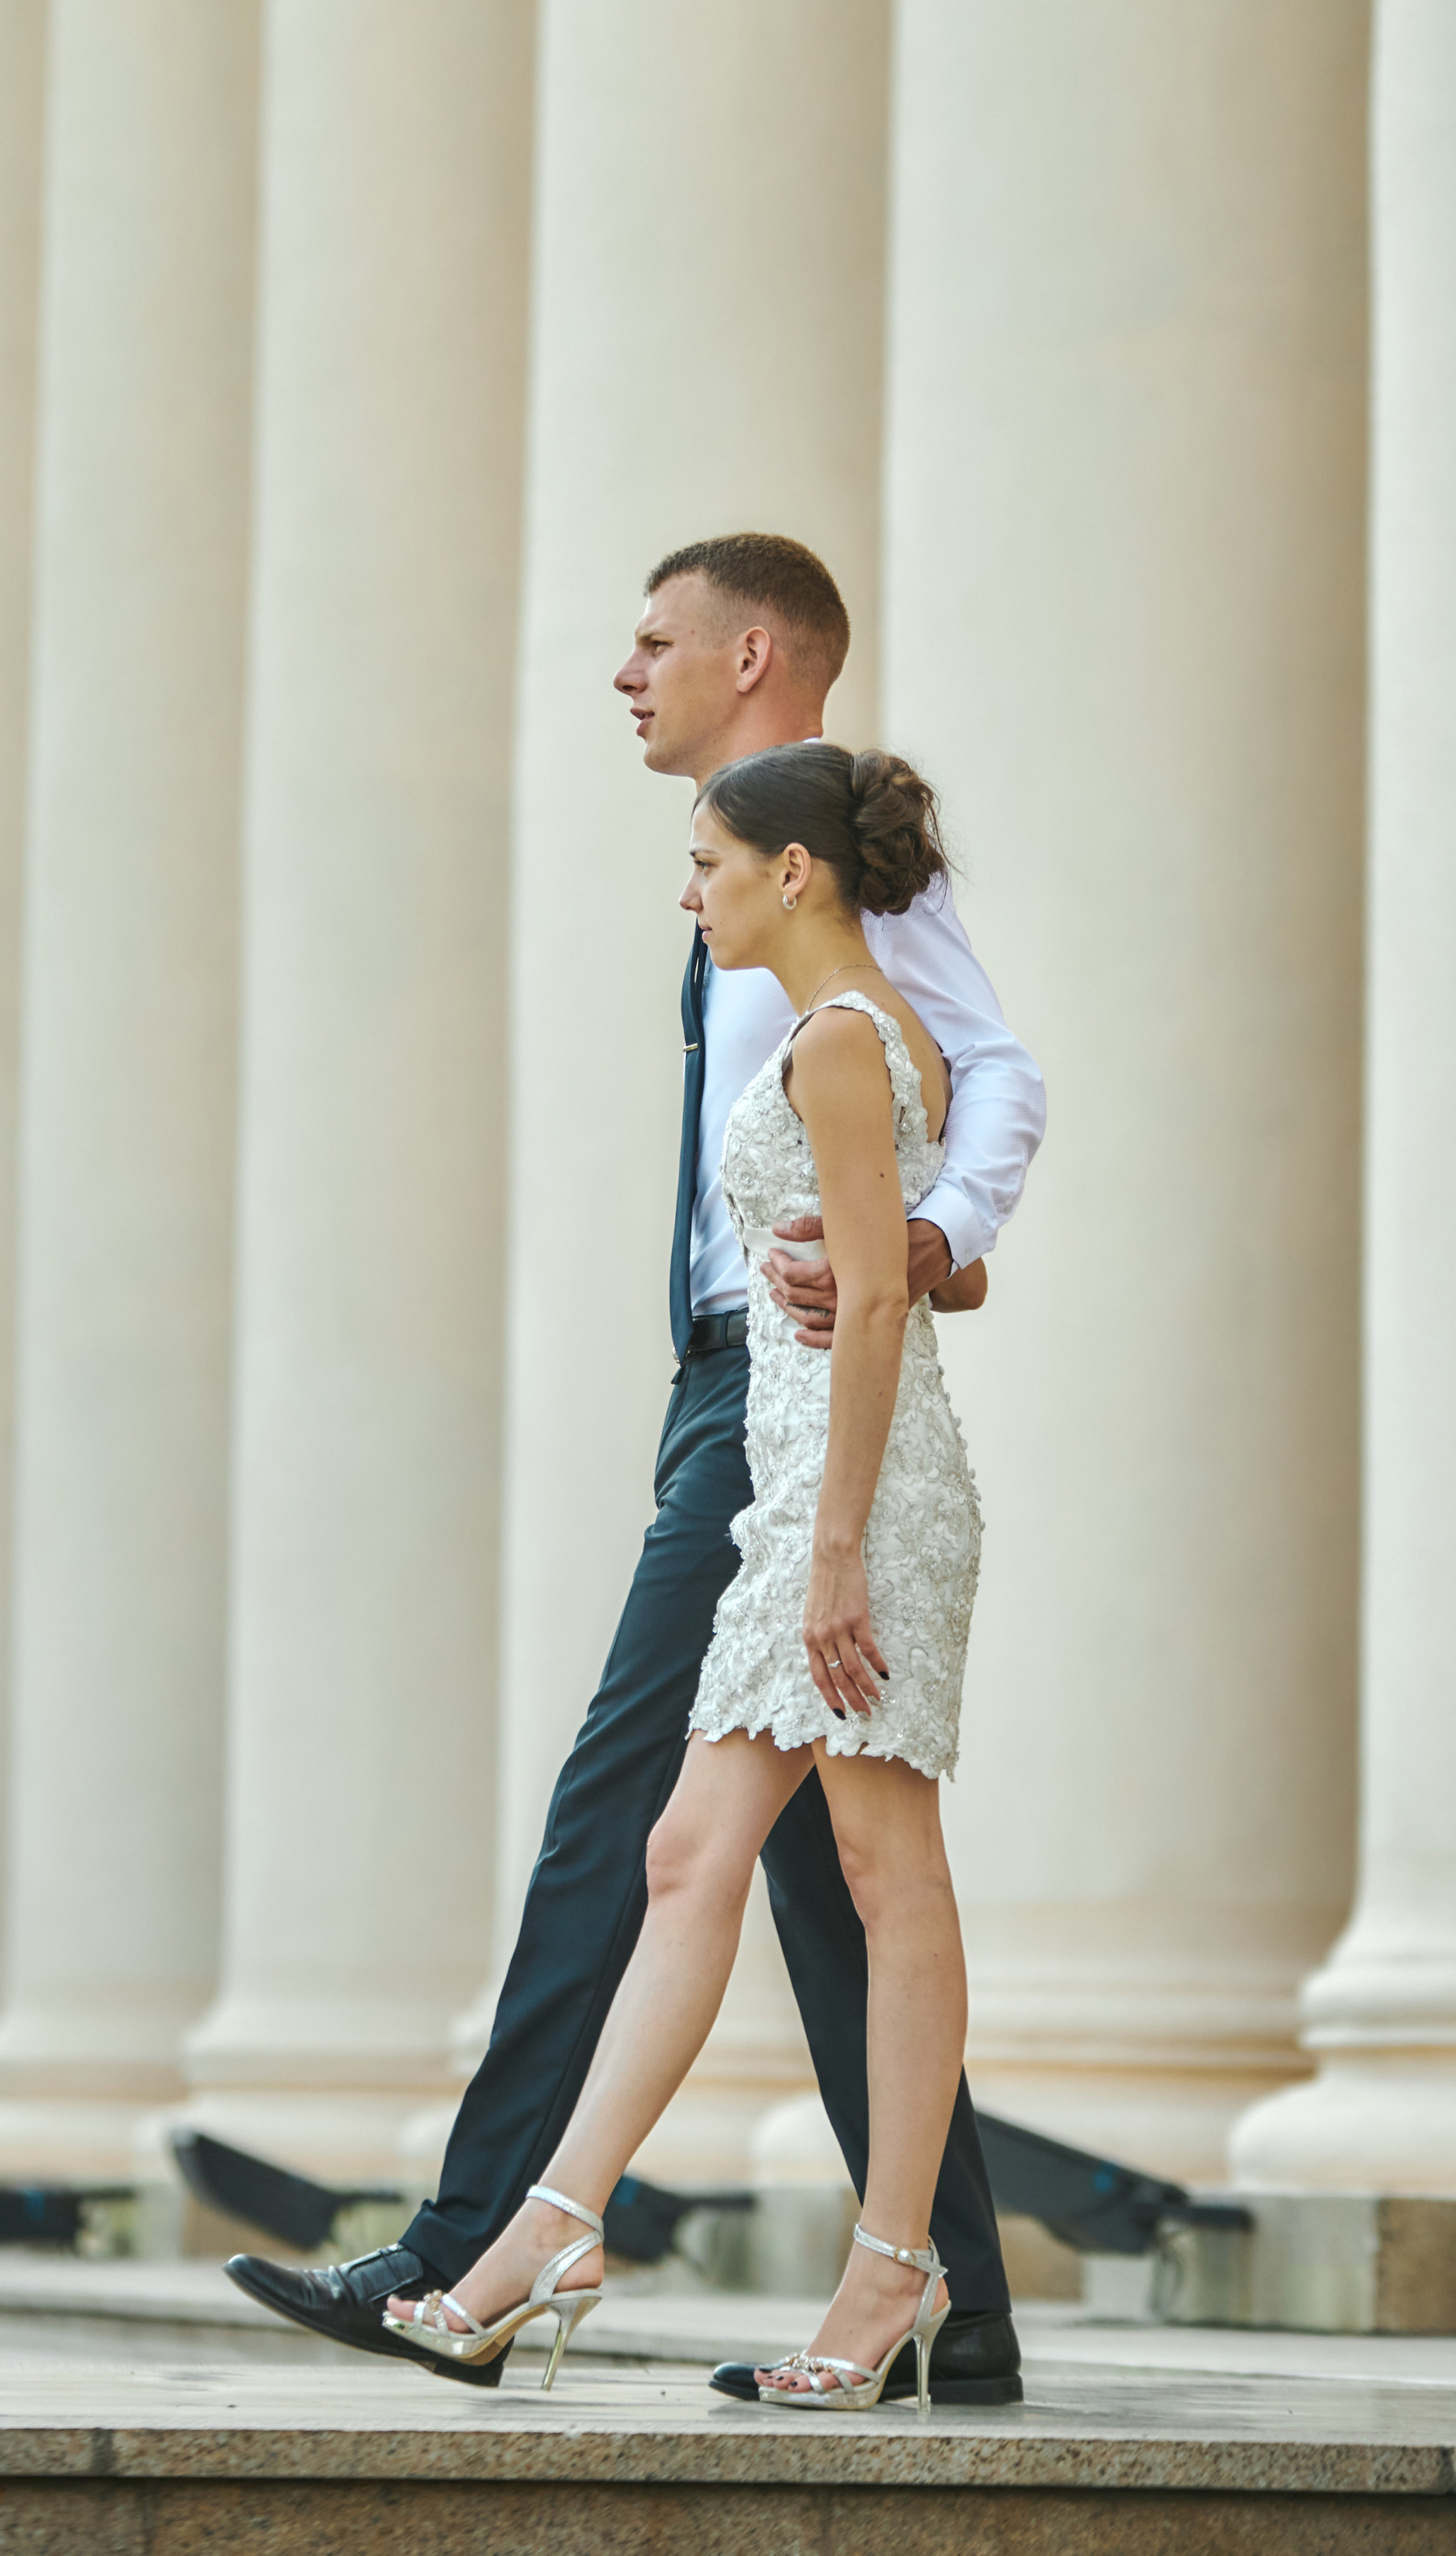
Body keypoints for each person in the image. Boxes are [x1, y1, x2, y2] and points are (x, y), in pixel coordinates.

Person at [226, 533, 1044, 2404]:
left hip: (803, 1422)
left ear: (751, 654)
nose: (623, 669)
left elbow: (988, 1080)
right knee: (818, 1870)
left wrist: (925, 1242)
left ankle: (479, 2245)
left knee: (640, 1819)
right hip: (733, 1396)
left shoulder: (829, 881)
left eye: (653, 640)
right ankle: (944, 2297)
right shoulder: (751, 876)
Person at [386, 739, 982, 2405]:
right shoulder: (853, 1032)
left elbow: (877, 1300)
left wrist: (839, 1551)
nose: (688, 889)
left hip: (851, 1498)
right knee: (682, 1852)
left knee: (885, 1874)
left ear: (790, 872)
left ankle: (885, 2278)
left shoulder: (845, 1040)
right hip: (806, 1482)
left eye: (709, 863)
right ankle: (552, 2228)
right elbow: (916, 1269)